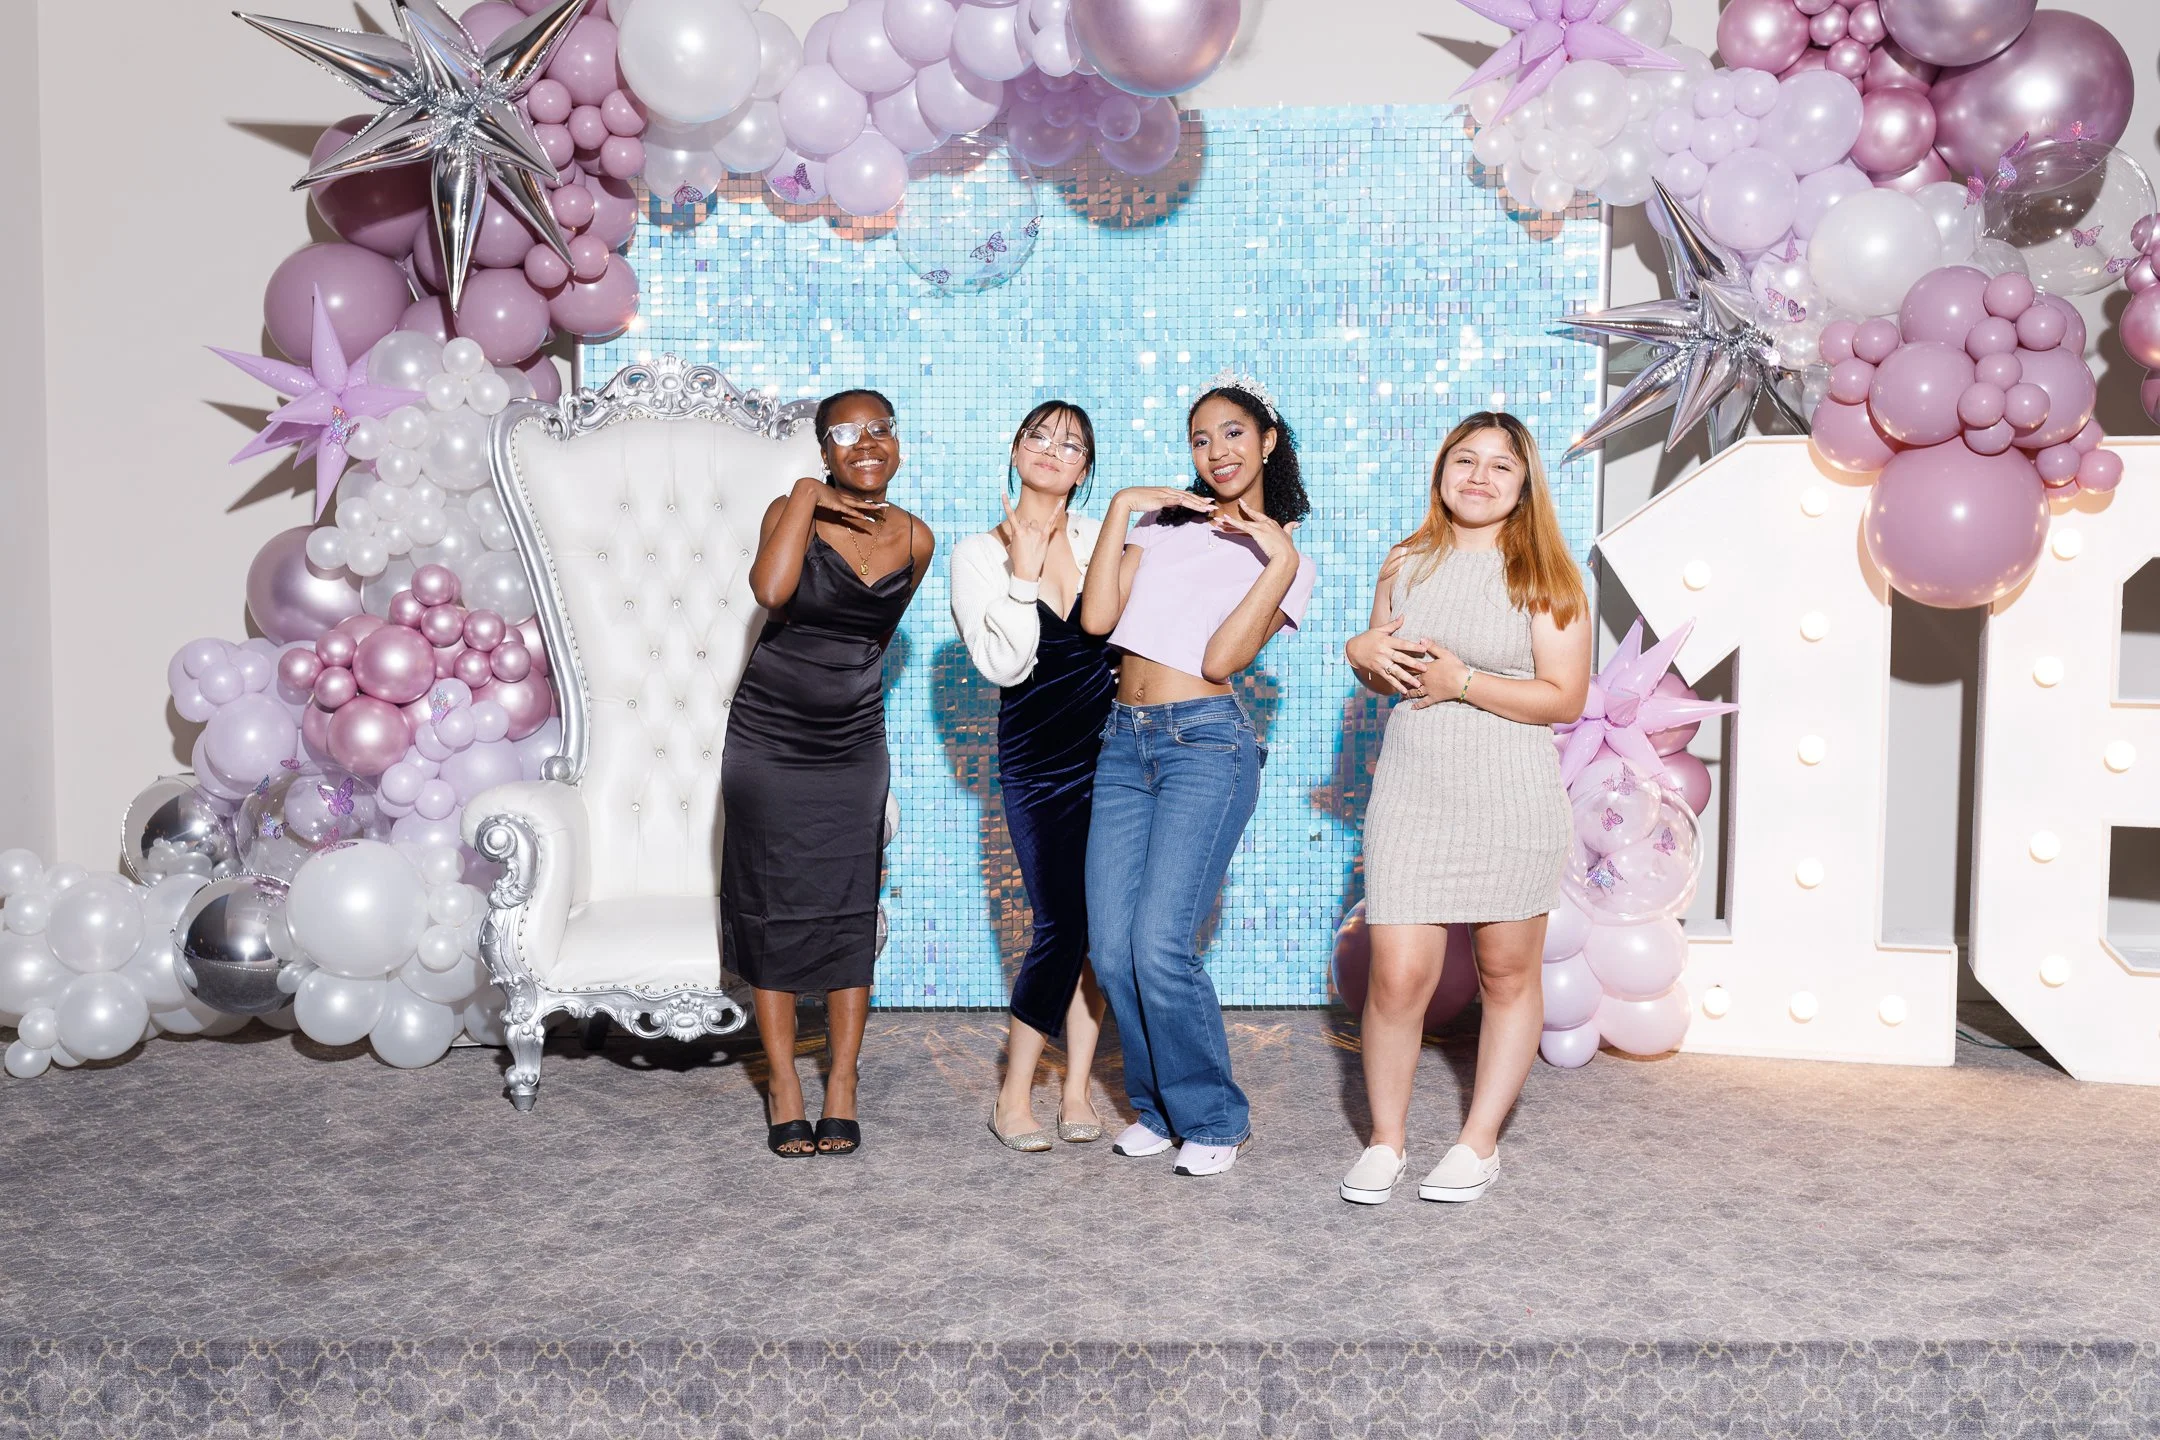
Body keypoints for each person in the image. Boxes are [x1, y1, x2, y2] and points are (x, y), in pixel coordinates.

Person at [1338, 411, 1589, 1205]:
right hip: (1414, 791)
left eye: (1500, 466)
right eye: (1465, 460)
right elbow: (1386, 668)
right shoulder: (1405, 562)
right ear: (1441, 471)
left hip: (1512, 797)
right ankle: (1385, 1141)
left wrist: (1466, 682)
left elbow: (1565, 698)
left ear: (1524, 485)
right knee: (1395, 976)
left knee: (1506, 973)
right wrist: (1360, 652)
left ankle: (1478, 1144)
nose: (1479, 477)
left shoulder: (1545, 576)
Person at [1077, 374, 1316, 1178]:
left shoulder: (1287, 558)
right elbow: (1098, 619)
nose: (1217, 451)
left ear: (1267, 441)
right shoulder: (1160, 523)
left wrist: (1278, 555)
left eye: (1233, 433)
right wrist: (1121, 507)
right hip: (1122, 742)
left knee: (1159, 946)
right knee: (1113, 951)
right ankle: (1159, 1109)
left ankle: (1214, 1117)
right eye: (1201, 439)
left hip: (1205, 747)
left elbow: (1220, 659)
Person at [722, 389, 934, 1158]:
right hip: (768, 740)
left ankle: (842, 1081)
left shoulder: (916, 538)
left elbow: (869, 640)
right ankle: (783, 1083)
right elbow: (772, 593)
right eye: (846, 432)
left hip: (853, 743)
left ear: (897, 442)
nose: (867, 442)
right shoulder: (791, 509)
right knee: (771, 903)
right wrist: (807, 497)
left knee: (850, 905)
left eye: (881, 427)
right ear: (823, 451)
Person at [950, 402, 1118, 1152]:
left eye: (1072, 444)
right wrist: (1023, 575)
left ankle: (1077, 1090)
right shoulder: (977, 554)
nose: (1053, 449)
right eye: (1040, 436)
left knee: (1100, 929)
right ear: (1016, 449)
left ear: (1085, 470)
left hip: (1116, 752)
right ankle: (1013, 1095)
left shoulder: (1099, 537)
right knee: (1061, 923)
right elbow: (1004, 664)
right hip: (1039, 760)